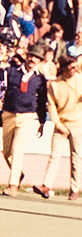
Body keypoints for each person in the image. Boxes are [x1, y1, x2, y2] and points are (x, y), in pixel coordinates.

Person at [0, 44, 49, 197]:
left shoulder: (40, 79)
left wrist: (42, 121)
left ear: (40, 60)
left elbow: (42, 102)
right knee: (6, 152)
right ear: (26, 56)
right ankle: (18, 174)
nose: (32, 59)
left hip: (27, 116)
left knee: (17, 149)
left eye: (36, 57)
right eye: (31, 56)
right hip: (9, 114)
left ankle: (13, 185)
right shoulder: (12, 71)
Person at [40, 50, 82, 201]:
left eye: (76, 67)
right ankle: (46, 185)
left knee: (76, 158)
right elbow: (52, 107)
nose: (75, 70)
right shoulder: (54, 85)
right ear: (63, 68)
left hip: (78, 124)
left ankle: (75, 189)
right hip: (61, 125)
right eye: (72, 67)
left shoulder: (80, 80)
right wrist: (58, 125)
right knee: (54, 156)